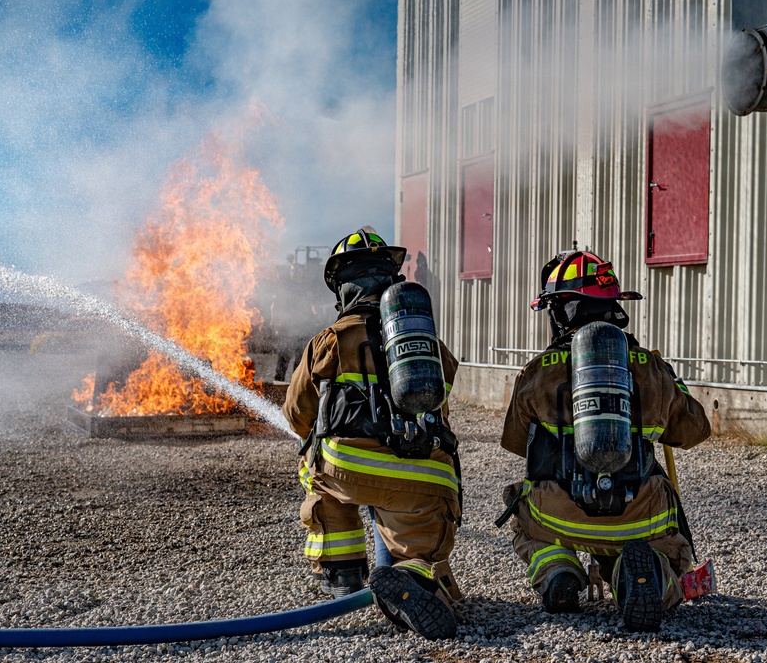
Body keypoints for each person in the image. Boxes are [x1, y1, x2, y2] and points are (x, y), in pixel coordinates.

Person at [498, 247, 711, 632]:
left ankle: (558, 571)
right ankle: (639, 579)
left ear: (561, 310)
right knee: (664, 555)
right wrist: (669, 384)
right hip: (639, 516)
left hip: (560, 516)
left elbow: (516, 442)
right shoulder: (650, 366)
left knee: (524, 522)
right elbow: (695, 431)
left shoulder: (535, 371)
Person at [282, 227, 462, 640]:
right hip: (424, 474)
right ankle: (412, 573)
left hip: (348, 470)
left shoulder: (330, 341)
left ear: (342, 287)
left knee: (313, 466)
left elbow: (297, 416)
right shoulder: (424, 341)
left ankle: (342, 573)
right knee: (417, 542)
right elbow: (445, 389)